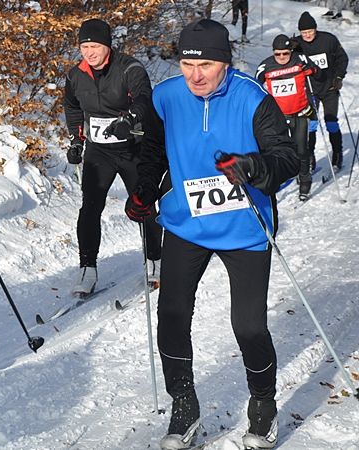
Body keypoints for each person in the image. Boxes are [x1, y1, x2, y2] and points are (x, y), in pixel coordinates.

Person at [125, 19, 298, 450]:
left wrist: (255, 168)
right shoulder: (166, 98)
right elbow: (152, 152)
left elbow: (286, 158)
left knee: (249, 326)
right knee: (173, 315)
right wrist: (146, 191)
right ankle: (183, 405)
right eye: (187, 63)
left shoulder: (252, 98)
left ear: (225, 62)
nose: (195, 75)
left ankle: (263, 405)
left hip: (245, 229)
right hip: (187, 224)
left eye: (205, 64)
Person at [63, 18, 163, 296]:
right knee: (90, 207)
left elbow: (145, 97)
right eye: (84, 46)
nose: (89, 52)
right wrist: (76, 140)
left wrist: (130, 119)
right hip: (99, 151)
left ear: (107, 45)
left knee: (143, 204)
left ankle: (154, 260)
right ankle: (87, 269)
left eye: (94, 45)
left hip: (132, 147)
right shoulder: (75, 75)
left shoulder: (129, 68)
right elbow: (71, 106)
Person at [256, 34, 320, 201]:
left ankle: (305, 180)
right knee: (277, 151)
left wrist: (310, 70)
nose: (282, 57)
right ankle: (277, 179)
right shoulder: (266, 66)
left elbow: (317, 73)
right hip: (278, 116)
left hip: (300, 112)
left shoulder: (300, 59)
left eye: (285, 53)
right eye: (278, 54)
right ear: (273, 53)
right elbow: (255, 87)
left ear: (290, 51)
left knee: (301, 149)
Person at [294, 11, 348, 172]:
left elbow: (342, 58)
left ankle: (337, 154)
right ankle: (310, 158)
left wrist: (339, 77)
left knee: (331, 122)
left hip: (330, 88)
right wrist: (291, 46)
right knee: (311, 125)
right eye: (304, 32)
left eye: (310, 31)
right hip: (309, 90)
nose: (308, 35)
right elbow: (284, 55)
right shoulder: (297, 44)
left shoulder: (328, 39)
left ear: (315, 29)